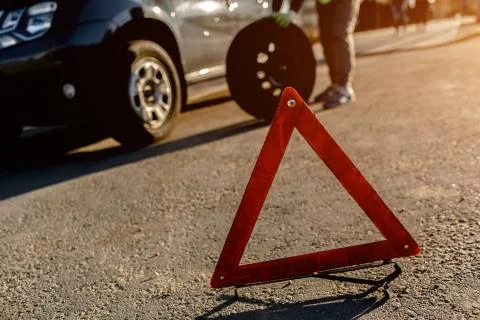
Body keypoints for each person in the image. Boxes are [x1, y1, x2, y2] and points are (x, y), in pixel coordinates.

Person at [272, 0, 359, 109]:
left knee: (339, 34)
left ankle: (344, 88)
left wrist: (293, 11)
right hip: (325, 2)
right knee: (326, 37)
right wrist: (274, 10)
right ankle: (336, 84)